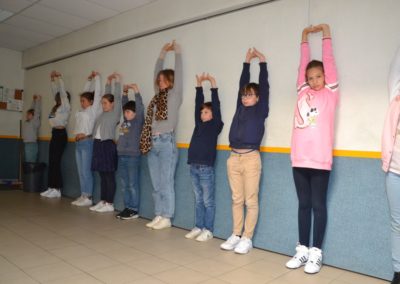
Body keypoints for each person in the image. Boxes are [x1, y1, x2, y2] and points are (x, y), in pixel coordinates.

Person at [286, 24, 339, 274]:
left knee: (319, 205)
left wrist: (326, 33)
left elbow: (327, 60)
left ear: (325, 77)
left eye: (318, 76)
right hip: (299, 159)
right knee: (303, 205)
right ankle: (302, 249)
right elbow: (302, 63)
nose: (314, 80)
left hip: (319, 160)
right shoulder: (302, 91)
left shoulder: (331, 93)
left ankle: (316, 252)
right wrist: (303, 37)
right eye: (310, 77)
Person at [220, 48, 269, 254]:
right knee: (236, 199)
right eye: (244, 95)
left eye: (249, 95)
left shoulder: (261, 109)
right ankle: (236, 234)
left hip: (250, 158)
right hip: (233, 158)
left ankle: (247, 238)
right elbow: (242, 84)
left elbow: (264, 88)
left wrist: (263, 64)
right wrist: (246, 64)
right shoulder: (240, 108)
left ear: (257, 98)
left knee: (251, 200)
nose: (245, 98)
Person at [141, 40, 182, 230]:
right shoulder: (157, 97)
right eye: (159, 81)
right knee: (156, 183)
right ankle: (158, 214)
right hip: (153, 141)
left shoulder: (175, 95)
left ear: (171, 81)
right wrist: (161, 53)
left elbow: (180, 75)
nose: (160, 82)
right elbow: (155, 73)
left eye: (164, 80)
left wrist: (177, 53)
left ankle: (167, 216)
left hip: (167, 142)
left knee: (166, 181)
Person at [185, 73, 223, 241]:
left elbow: (216, 105)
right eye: (202, 112)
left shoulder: (215, 125)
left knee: (208, 201)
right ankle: (198, 226)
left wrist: (213, 85)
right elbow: (196, 105)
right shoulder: (199, 124)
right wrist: (199, 86)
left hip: (206, 168)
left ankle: (208, 229)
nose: (202, 114)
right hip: (193, 166)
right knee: (198, 200)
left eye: (206, 112)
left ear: (213, 114)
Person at [89, 73, 122, 213]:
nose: (103, 105)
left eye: (105, 103)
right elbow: (108, 95)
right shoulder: (102, 114)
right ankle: (103, 201)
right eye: (102, 103)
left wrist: (117, 82)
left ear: (112, 104)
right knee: (102, 175)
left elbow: (117, 98)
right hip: (98, 145)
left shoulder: (114, 113)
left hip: (107, 145)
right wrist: (108, 83)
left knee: (109, 175)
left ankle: (109, 203)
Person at [382, 45, 400, 284]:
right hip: (395, 171)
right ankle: (398, 270)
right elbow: (395, 70)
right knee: (397, 223)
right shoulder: (396, 97)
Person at [71, 71, 102, 207]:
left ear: (90, 102)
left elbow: (98, 93)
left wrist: (97, 78)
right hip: (78, 143)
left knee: (86, 171)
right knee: (80, 171)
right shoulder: (81, 111)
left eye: (84, 101)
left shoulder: (92, 110)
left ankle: (88, 196)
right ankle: (83, 194)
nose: (82, 103)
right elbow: (85, 92)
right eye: (81, 101)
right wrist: (88, 81)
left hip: (87, 142)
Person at [40, 71, 71, 198]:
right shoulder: (56, 107)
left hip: (61, 134)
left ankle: (57, 189)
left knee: (56, 161)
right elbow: (55, 92)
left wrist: (60, 78)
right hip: (54, 133)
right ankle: (51, 187)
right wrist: (52, 79)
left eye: (60, 96)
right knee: (51, 161)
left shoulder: (65, 107)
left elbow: (62, 92)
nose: (58, 97)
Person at [116, 83, 144, 219]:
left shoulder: (138, 121)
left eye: (128, 112)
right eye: (125, 111)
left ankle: (134, 209)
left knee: (132, 184)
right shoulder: (125, 122)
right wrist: (125, 93)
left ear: (135, 113)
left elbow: (139, 106)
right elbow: (124, 105)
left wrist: (136, 91)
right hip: (122, 156)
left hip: (133, 157)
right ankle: (127, 207)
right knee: (124, 184)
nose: (125, 113)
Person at [22, 95, 41, 163]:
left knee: (30, 162)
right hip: (26, 144)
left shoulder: (34, 121)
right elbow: (31, 109)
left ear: (33, 116)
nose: (27, 115)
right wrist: (34, 100)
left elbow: (36, 112)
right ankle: (29, 172)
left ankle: (31, 173)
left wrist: (38, 101)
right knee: (27, 161)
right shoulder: (27, 121)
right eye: (27, 114)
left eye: (28, 114)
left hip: (32, 144)